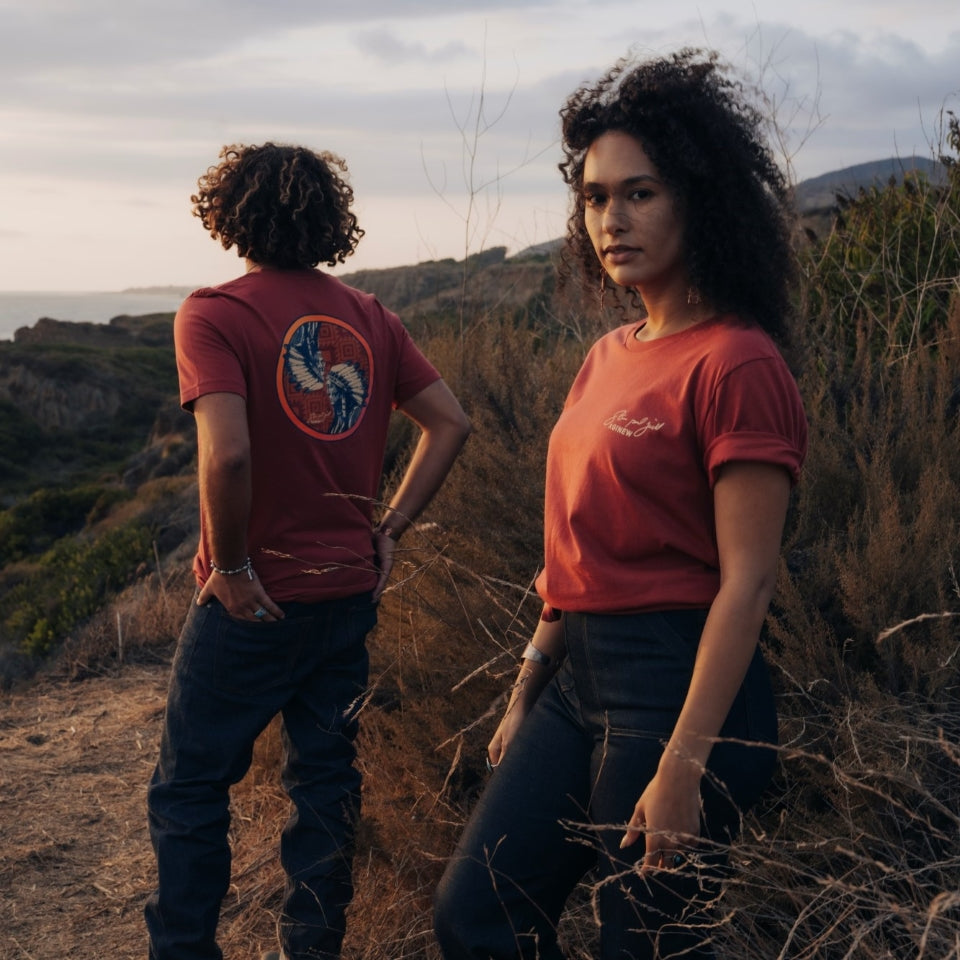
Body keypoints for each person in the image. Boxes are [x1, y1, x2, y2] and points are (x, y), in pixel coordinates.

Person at [434, 49, 807, 960]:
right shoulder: (609, 354)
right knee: (477, 914)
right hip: (581, 682)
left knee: (643, 944)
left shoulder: (738, 362)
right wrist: (529, 688)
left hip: (679, 681)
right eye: (596, 198)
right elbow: (575, 551)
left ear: (698, 199)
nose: (612, 219)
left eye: (639, 193)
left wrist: (684, 767)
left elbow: (748, 586)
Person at [145, 142, 471, 960]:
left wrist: (229, 567)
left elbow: (226, 455)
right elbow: (451, 423)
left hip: (254, 603)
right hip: (346, 598)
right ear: (331, 219)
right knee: (324, 786)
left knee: (190, 788)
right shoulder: (371, 318)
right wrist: (387, 530)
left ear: (229, 214)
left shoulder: (213, 313)